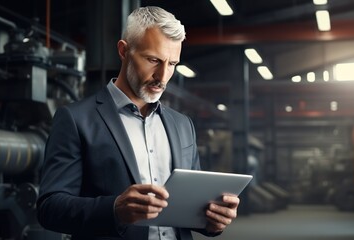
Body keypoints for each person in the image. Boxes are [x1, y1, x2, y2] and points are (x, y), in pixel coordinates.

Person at [36, 6, 240, 240]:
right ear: (124, 51)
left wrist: (213, 221)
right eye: (153, 60)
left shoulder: (183, 125)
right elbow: (50, 208)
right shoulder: (76, 119)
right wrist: (115, 210)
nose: (162, 76)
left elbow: (191, 207)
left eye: (172, 64)